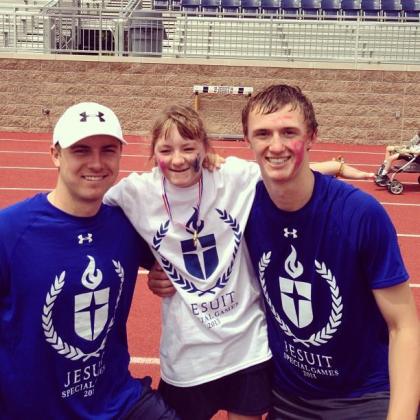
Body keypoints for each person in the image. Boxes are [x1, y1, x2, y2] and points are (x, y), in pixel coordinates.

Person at [242, 84, 420, 419]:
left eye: (289, 132)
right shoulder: (241, 207)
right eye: (263, 133)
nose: (276, 145)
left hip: (364, 397)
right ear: (247, 139)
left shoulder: (360, 214)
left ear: (311, 137)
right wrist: (161, 272)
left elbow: (404, 326)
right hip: (287, 395)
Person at [0, 102, 179, 419]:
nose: (96, 163)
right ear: (55, 154)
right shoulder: (10, 232)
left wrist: (160, 272)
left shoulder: (127, 224)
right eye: (81, 150)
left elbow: (190, 243)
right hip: (35, 410)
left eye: (108, 150)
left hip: (117, 400)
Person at [104, 104, 273, 420]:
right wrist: (149, 264)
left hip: (246, 346)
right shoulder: (135, 192)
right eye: (166, 149)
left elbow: (286, 173)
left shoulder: (233, 176)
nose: (178, 159)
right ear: (153, 152)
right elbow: (88, 212)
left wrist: (340, 166)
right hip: (187, 357)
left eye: (189, 147)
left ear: (206, 148)